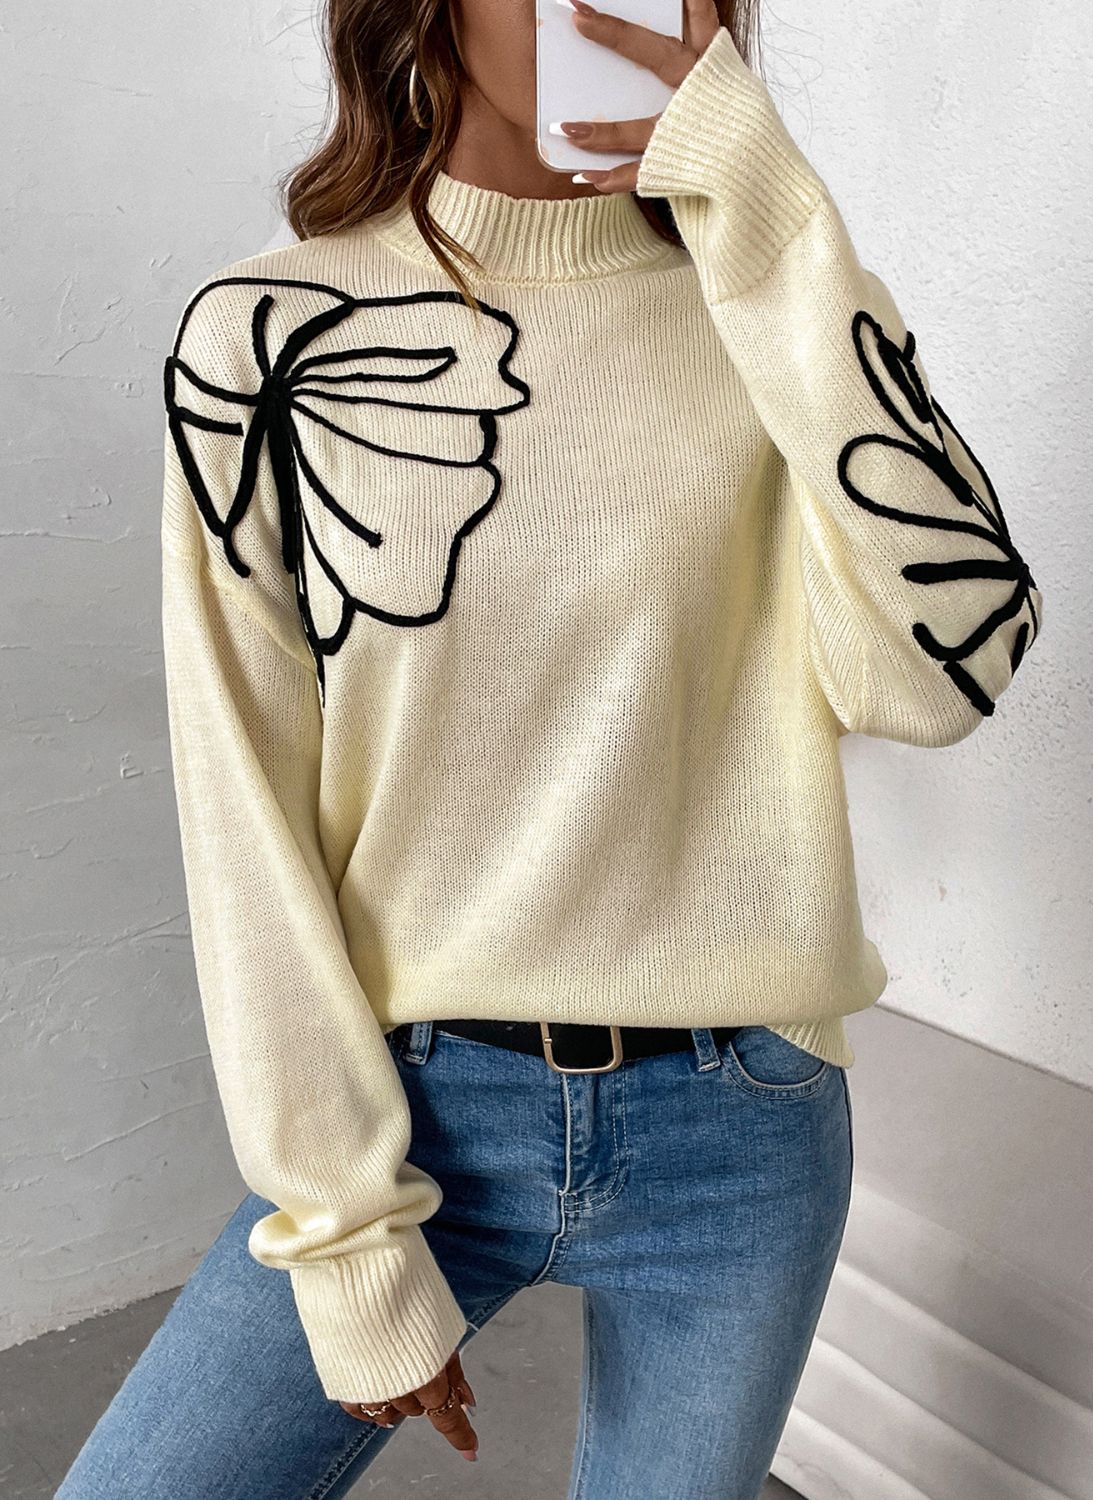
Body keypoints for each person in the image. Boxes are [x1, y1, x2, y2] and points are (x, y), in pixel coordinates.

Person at [56, 0, 1043, 1495]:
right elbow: (240, 806)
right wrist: (346, 1233)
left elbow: (943, 672)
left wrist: (768, 219)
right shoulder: (273, 337)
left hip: (744, 1120)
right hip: (420, 1107)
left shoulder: (772, 311)